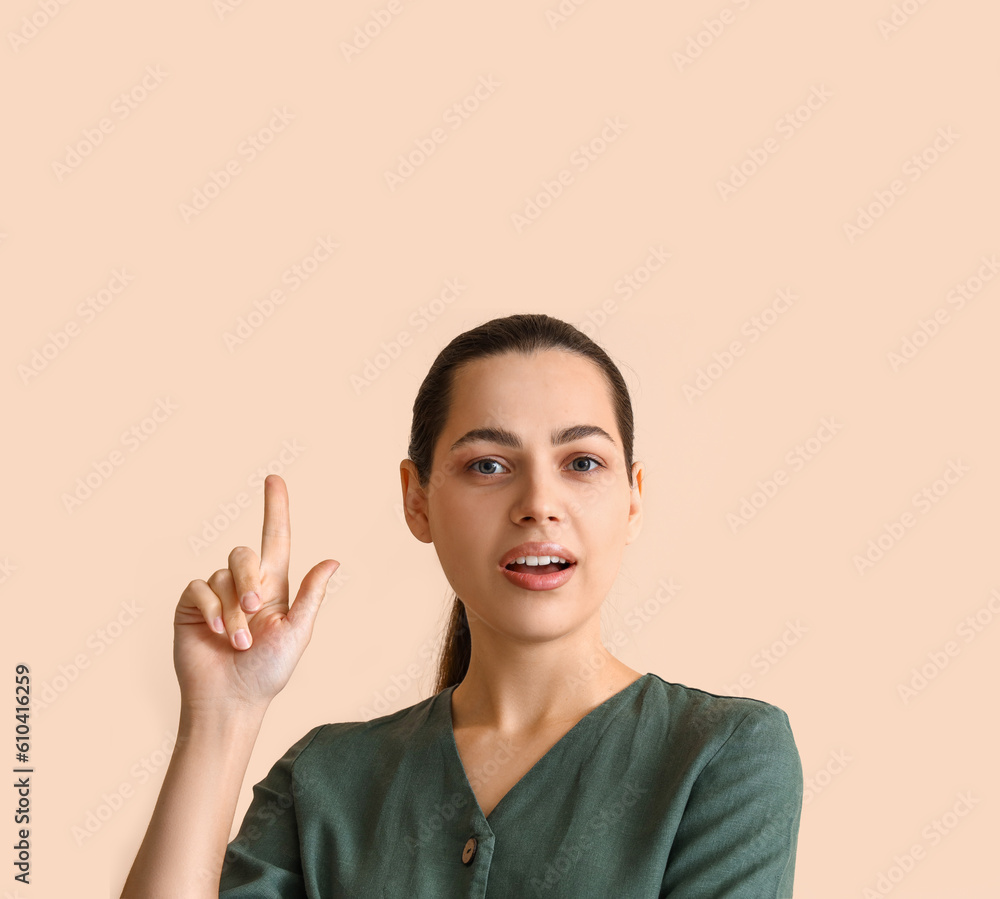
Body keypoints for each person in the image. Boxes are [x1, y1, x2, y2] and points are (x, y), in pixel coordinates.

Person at [120, 313, 802, 898]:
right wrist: (221, 713)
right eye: (488, 465)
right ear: (417, 498)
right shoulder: (323, 781)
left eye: (583, 462)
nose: (538, 502)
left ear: (634, 497)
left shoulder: (721, 756)